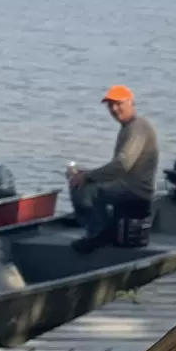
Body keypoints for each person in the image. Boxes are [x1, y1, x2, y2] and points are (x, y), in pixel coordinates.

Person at [68, 84, 159, 253]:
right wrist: (85, 174)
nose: (114, 109)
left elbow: (122, 165)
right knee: (77, 177)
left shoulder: (137, 127)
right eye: (111, 105)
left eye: (118, 104)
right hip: (126, 183)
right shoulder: (128, 127)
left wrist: (87, 177)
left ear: (131, 102)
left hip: (135, 189)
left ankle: (98, 235)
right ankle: (101, 227)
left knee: (84, 188)